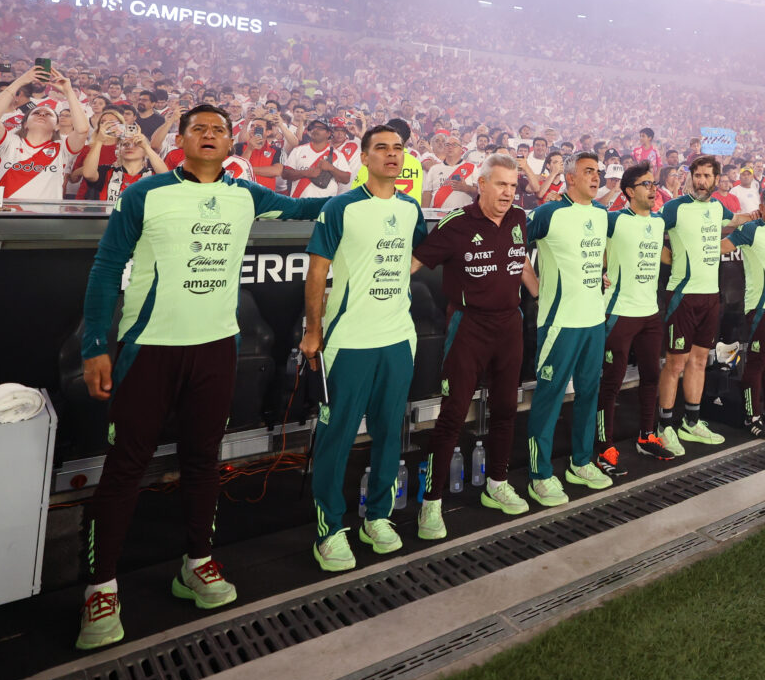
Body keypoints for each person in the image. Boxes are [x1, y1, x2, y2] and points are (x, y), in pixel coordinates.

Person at [76, 104, 329, 651]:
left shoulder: (247, 194)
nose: (210, 135)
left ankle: (196, 562)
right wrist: (96, 344)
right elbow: (104, 266)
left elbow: (308, 207)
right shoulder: (147, 193)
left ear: (232, 142)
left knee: (203, 460)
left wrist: (372, 190)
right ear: (182, 140)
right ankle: (101, 588)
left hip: (216, 349)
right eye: (200, 129)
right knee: (126, 467)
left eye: (220, 130)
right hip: (149, 349)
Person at [300, 124, 427, 569]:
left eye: (398, 149)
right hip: (349, 341)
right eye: (382, 149)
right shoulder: (342, 206)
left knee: (390, 433)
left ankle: (378, 517)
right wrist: (313, 331)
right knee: (336, 438)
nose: (392, 155)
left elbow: (421, 254)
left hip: (397, 339)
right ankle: (330, 531)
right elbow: (317, 273)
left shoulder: (411, 208)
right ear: (364, 157)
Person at [411, 152, 538, 537]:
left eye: (513, 186)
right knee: (453, 415)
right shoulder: (456, 223)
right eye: (501, 184)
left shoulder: (518, 218)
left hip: (509, 324)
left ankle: (496, 483)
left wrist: (542, 299)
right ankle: (431, 504)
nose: (508, 193)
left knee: (504, 409)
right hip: (469, 326)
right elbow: (414, 263)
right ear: (481, 184)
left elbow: (522, 264)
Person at [524, 151, 612, 505]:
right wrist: (536, 290)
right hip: (559, 323)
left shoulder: (603, 215)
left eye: (598, 172)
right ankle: (539, 474)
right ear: (570, 177)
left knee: (590, 394)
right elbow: (513, 249)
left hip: (594, 321)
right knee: (549, 397)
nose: (595, 177)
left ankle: (581, 461)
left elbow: (599, 256)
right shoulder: (548, 212)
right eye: (588, 172)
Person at [594, 161, 675, 477]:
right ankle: (604, 446)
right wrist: (599, 272)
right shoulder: (613, 220)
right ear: (629, 191)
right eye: (646, 184)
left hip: (650, 313)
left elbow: (663, 255)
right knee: (611, 383)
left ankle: (646, 435)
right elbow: (591, 248)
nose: (653, 188)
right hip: (619, 314)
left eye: (654, 183)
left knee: (652, 376)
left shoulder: (657, 223)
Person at [658, 154, 741, 455]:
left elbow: (732, 222)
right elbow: (651, 236)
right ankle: (664, 425)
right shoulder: (674, 207)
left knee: (699, 360)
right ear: (690, 176)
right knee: (675, 363)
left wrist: (756, 217)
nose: (702, 181)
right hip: (682, 295)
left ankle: (691, 421)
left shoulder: (718, 207)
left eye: (708, 176)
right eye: (698, 175)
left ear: (717, 179)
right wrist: (672, 259)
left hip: (710, 295)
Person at [722, 188, 765, 438]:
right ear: (761, 207)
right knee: (756, 363)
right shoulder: (752, 229)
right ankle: (751, 416)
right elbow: (721, 247)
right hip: (761, 309)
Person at [0, 65, 90, 201]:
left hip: (44, 216)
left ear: (57, 125)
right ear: (25, 123)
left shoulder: (62, 147)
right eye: (36, 113)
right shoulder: (8, 142)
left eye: (48, 114)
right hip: (5, 214)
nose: (42, 114)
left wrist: (69, 92)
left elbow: (82, 130)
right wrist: (20, 81)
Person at [80, 116, 167, 201]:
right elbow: (88, 174)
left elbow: (166, 177)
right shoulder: (106, 172)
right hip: (110, 215)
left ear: (145, 152)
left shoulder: (152, 175)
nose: (130, 147)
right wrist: (99, 141)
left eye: (136, 144)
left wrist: (146, 146)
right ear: (119, 151)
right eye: (125, 144)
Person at [281, 119, 352, 198]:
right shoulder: (298, 150)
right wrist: (306, 173)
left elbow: (346, 179)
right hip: (299, 202)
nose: (315, 130)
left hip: (324, 204)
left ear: (328, 133)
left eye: (320, 128)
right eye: (313, 127)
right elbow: (285, 174)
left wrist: (331, 168)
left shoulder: (337, 155)